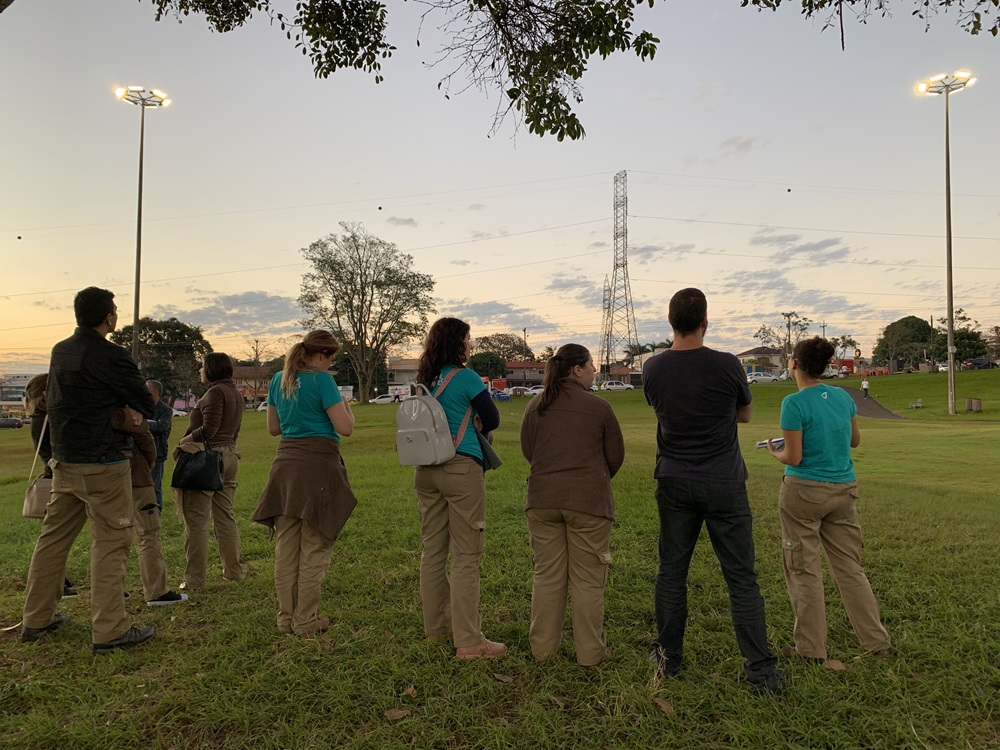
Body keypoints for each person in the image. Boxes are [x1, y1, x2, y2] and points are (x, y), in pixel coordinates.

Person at [642, 287, 784, 692]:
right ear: (705, 321)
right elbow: (745, 414)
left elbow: (662, 409)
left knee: (672, 572)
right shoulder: (727, 365)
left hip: (674, 479)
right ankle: (761, 670)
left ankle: (669, 659)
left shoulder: (653, 368)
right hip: (724, 480)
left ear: (671, 322)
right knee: (741, 578)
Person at [21, 286, 156, 653]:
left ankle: (37, 617)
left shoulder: (60, 350)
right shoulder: (112, 356)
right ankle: (111, 629)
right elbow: (146, 402)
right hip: (104, 463)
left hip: (63, 460)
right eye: (114, 310)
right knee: (112, 543)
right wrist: (126, 411)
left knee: (53, 540)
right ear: (108, 317)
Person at [767, 337, 891, 664]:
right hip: (843, 491)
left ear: (794, 364)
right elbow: (854, 440)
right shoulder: (842, 396)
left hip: (804, 493)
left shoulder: (793, 404)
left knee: (804, 571)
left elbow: (793, 455)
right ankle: (876, 641)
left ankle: (810, 650)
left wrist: (774, 451)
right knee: (850, 569)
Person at [519, 344, 624, 667]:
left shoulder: (536, 406)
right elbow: (615, 456)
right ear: (577, 369)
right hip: (587, 503)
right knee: (588, 581)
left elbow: (528, 451)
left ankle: (543, 650)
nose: (594, 370)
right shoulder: (599, 407)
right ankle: (591, 653)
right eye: (591, 365)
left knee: (547, 577)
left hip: (542, 501)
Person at [252, 331, 357, 637]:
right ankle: (306, 621)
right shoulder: (322, 381)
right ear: (323, 355)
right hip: (318, 469)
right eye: (332, 358)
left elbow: (274, 428)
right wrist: (345, 404)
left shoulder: (277, 380)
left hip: (284, 468)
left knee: (286, 549)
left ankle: (286, 619)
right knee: (315, 546)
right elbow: (345, 428)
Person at [413, 317, 505, 660]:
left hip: (426, 470)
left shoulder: (425, 380)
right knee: (466, 556)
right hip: (461, 468)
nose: (470, 345)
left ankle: (437, 630)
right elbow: (492, 418)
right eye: (468, 340)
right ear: (458, 343)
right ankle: (469, 641)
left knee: (433, 553)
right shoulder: (465, 377)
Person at [176, 352, 245, 590]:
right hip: (230, 456)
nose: (199, 370)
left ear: (211, 369)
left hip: (208, 459)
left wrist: (185, 441)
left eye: (202, 366)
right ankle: (233, 572)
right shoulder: (235, 393)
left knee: (196, 522)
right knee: (225, 517)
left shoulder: (215, 392)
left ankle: (194, 580)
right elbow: (233, 430)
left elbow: (210, 428)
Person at [111, 406, 189, 607]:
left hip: (106, 481)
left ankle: (111, 591)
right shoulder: (127, 411)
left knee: (111, 536)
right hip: (136, 477)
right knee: (148, 533)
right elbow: (146, 440)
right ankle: (156, 591)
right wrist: (150, 462)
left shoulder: (91, 407)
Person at [24, 373, 78, 599]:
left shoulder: (40, 418)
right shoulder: (48, 418)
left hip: (55, 477)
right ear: (46, 392)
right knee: (55, 537)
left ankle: (57, 582)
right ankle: (54, 584)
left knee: (55, 537)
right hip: (60, 479)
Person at [145, 379, 172, 512]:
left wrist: (145, 423)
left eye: (147, 390)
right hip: (142, 452)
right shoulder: (143, 407)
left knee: (155, 485)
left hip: (158, 452)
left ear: (155, 392)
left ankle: (157, 511)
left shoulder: (165, 410)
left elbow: (162, 427)